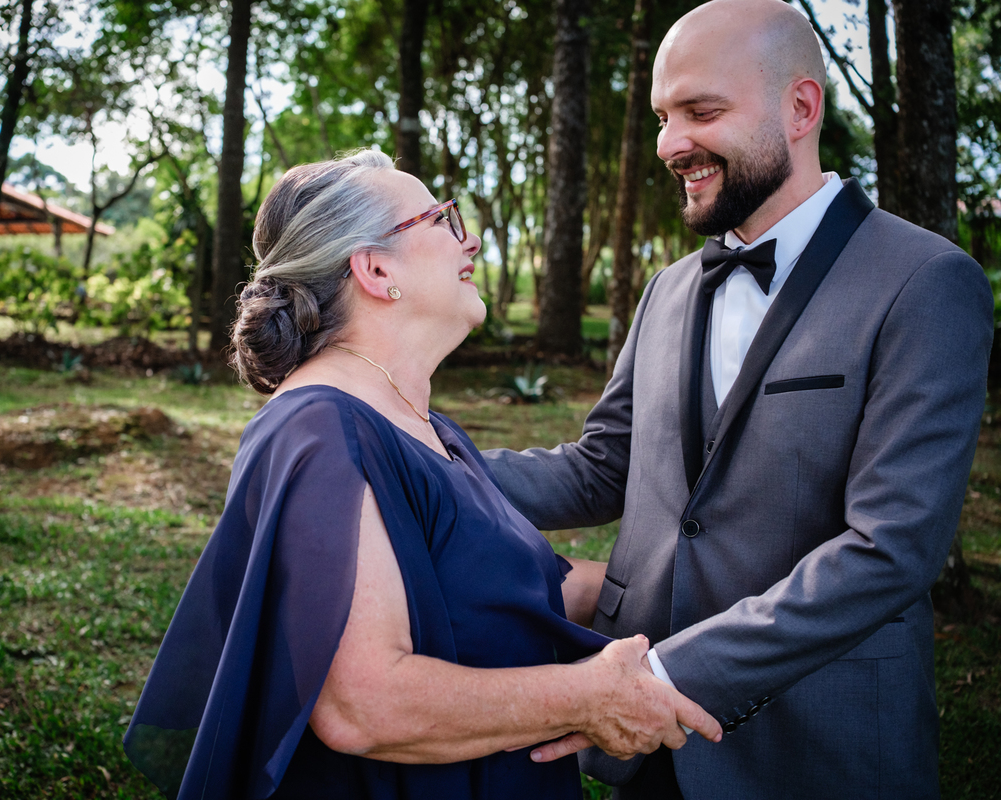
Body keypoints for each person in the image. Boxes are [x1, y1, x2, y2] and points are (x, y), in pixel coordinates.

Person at [482, 0, 993, 797]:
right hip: (646, 758)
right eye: (661, 117)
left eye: (701, 111)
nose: (669, 144)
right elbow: (600, 468)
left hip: (817, 748)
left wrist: (661, 673)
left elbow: (891, 548)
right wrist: (418, 459)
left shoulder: (925, 282)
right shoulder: (669, 290)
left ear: (800, 108)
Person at [122, 150, 720, 799]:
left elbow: (532, 589)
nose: (472, 238)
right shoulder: (317, 429)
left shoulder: (427, 426)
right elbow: (364, 706)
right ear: (377, 269)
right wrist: (586, 696)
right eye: (443, 219)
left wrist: (731, 591)